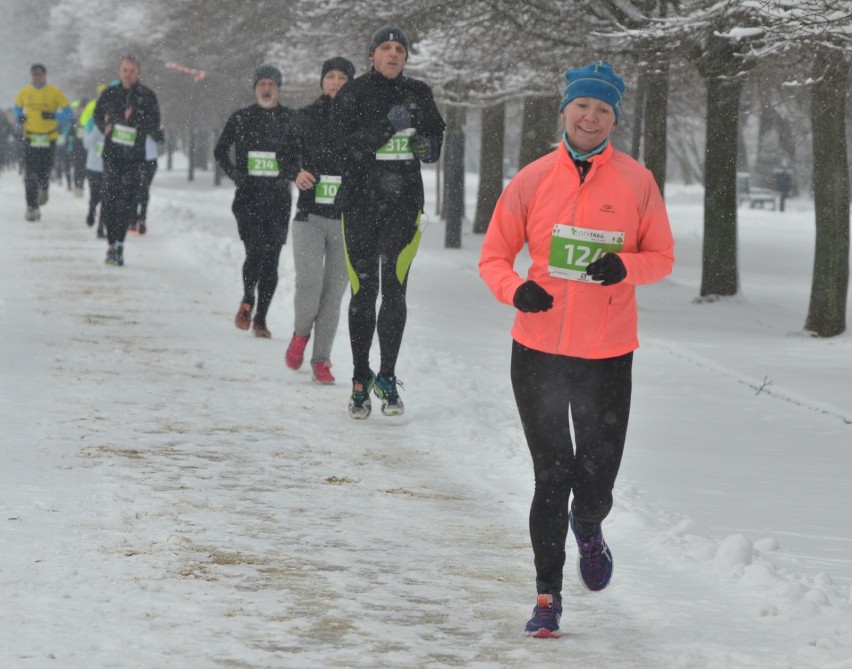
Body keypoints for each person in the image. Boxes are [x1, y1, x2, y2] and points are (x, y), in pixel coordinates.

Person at [478, 61, 675, 638]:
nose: (591, 117)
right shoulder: (533, 179)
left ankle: (588, 526)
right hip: (538, 349)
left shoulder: (637, 181)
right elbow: (493, 256)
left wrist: (624, 267)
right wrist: (519, 289)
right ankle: (547, 597)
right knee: (551, 474)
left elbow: (662, 258)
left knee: (594, 480)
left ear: (615, 118)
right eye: (583, 106)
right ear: (564, 110)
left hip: (607, 353)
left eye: (604, 109)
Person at [330, 25, 445, 418]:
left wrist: (427, 145)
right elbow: (340, 150)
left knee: (395, 290)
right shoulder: (354, 93)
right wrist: (385, 129)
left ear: (407, 57)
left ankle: (388, 376)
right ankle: (361, 377)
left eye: (400, 48)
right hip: (360, 205)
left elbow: (434, 140)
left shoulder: (419, 93)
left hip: (403, 205)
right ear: (372, 55)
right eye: (385, 48)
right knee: (364, 291)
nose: (393, 54)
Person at [285, 57, 356, 385]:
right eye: (331, 76)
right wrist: (295, 173)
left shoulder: (361, 120)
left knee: (334, 292)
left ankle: (321, 359)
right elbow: (284, 154)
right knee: (309, 284)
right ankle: (300, 334)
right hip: (309, 215)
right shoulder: (305, 117)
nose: (336, 82)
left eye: (343, 77)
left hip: (346, 219)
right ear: (322, 81)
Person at [214, 65, 299, 339]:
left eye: (271, 84)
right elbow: (220, 150)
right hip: (248, 198)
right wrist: (234, 173)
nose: (266, 89)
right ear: (254, 88)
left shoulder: (291, 119)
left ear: (278, 88)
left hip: (278, 199)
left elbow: (304, 153)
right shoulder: (241, 118)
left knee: (271, 259)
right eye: (261, 83)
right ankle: (248, 298)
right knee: (255, 251)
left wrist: (292, 172)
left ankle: (261, 318)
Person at [93, 55, 161, 266]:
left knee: (127, 200)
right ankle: (111, 243)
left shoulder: (147, 96)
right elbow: (97, 114)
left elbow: (155, 123)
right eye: (125, 70)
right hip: (112, 154)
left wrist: (135, 120)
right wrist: (104, 126)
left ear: (138, 73)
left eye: (132, 70)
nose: (128, 74)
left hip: (134, 156)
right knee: (111, 196)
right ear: (119, 72)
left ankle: (119, 244)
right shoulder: (110, 93)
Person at [13, 63, 72, 221]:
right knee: (30, 173)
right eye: (34, 74)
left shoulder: (54, 92)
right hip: (31, 137)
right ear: (31, 76)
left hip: (48, 137)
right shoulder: (25, 92)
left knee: (44, 170)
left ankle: (44, 187)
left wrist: (54, 116)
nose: (37, 77)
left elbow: (68, 113)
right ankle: (31, 207)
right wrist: (20, 116)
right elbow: (16, 108)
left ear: (45, 75)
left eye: (39, 74)